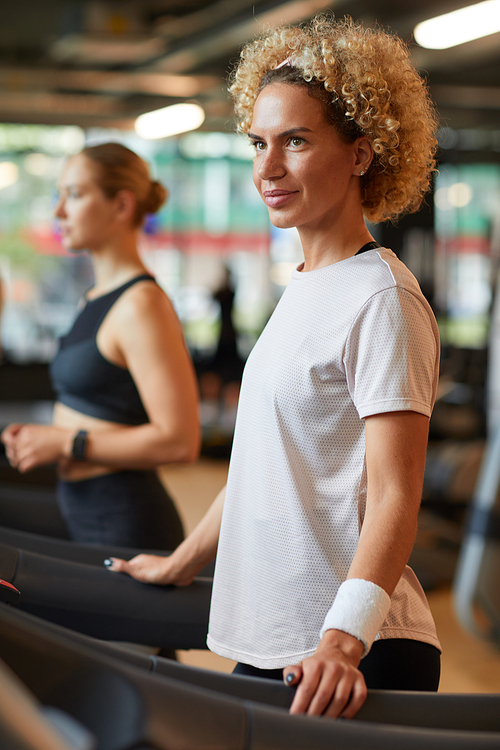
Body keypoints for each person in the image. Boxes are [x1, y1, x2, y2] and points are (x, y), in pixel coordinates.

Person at [107, 15, 442, 718]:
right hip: (280, 638)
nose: (268, 168)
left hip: (346, 654)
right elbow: (266, 465)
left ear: (360, 154)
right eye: (259, 143)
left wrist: (345, 641)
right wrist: (181, 562)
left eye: (295, 141)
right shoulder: (305, 287)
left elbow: (394, 496)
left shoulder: (381, 297)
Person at [1, 143, 200, 549]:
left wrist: (64, 441)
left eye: (73, 194)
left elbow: (180, 441)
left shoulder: (141, 304)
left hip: (122, 521)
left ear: (121, 205)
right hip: (76, 503)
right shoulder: (93, 297)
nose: (59, 211)